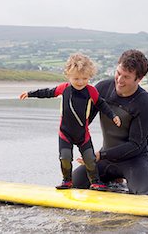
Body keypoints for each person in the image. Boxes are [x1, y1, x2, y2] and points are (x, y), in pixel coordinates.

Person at [20, 53, 121, 191]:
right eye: (76, 78)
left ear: (90, 76)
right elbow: (48, 92)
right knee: (65, 157)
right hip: (65, 133)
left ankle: (95, 182)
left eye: (85, 78)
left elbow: (102, 105)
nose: (80, 82)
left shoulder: (91, 91)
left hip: (82, 134)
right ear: (68, 75)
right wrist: (30, 93)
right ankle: (67, 181)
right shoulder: (64, 88)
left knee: (90, 159)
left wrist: (113, 115)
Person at [72, 49, 148, 194]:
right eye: (118, 73)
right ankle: (112, 181)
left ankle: (144, 179)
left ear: (139, 79)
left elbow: (135, 145)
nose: (119, 80)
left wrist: (100, 155)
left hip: (134, 161)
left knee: (144, 195)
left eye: (126, 77)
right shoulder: (103, 89)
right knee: (73, 184)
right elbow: (84, 122)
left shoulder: (145, 103)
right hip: (105, 159)